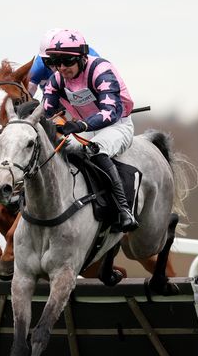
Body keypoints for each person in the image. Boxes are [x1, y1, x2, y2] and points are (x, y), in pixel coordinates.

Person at [41, 29, 138, 231]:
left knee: (96, 149)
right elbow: (47, 113)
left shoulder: (100, 70)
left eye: (68, 61)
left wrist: (81, 125)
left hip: (117, 125)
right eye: (57, 62)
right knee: (57, 149)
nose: (62, 68)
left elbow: (110, 111)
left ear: (83, 58)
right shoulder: (56, 80)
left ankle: (124, 209)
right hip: (85, 127)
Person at [28, 28, 100, 97]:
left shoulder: (94, 61)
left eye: (67, 60)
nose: (60, 67)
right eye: (53, 61)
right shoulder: (38, 67)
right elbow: (26, 97)